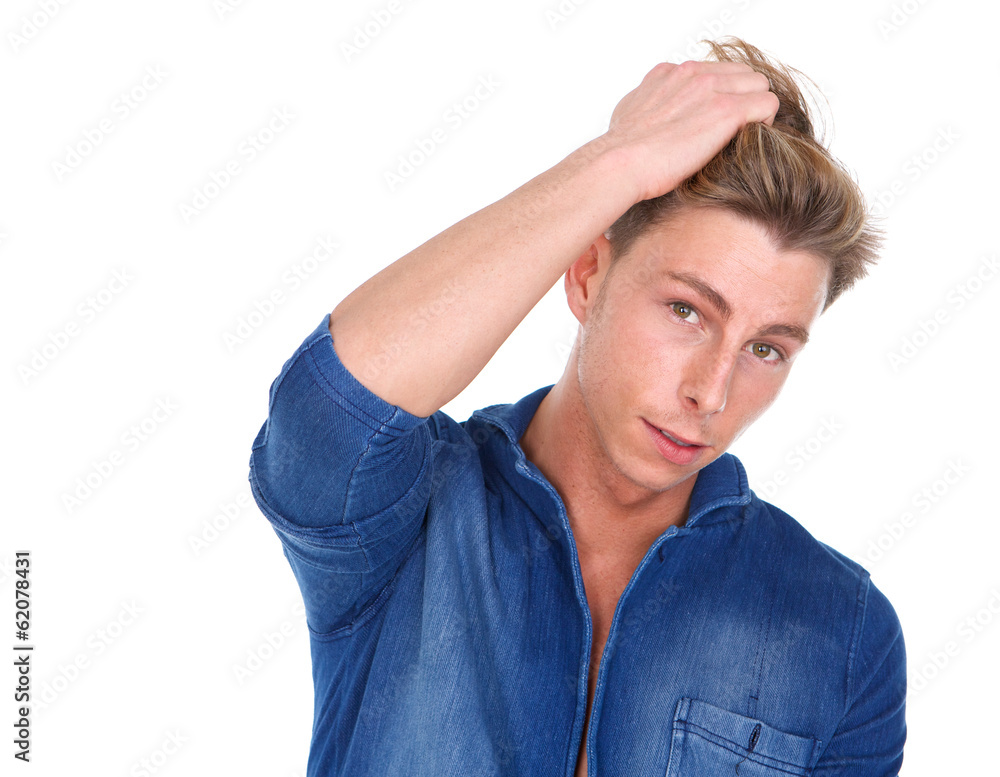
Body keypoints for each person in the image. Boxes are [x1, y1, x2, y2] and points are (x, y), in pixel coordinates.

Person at [248, 38, 906, 776]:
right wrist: (618, 161)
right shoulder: (409, 514)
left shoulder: (843, 632)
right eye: (687, 310)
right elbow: (327, 413)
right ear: (588, 275)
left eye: (766, 348)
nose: (712, 393)